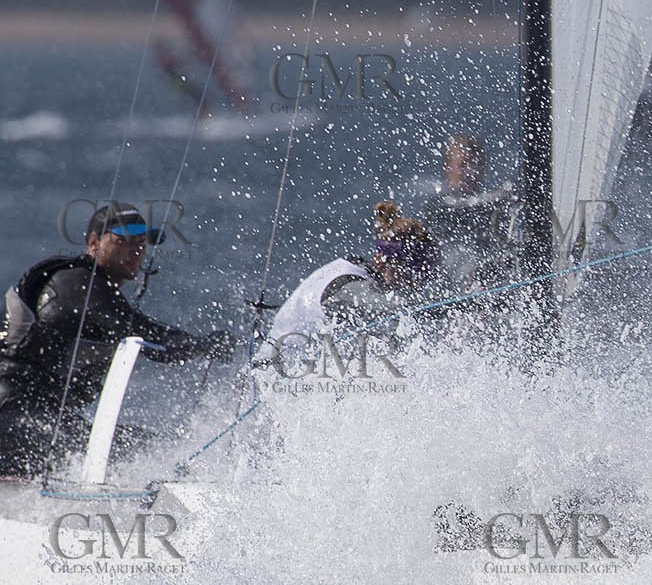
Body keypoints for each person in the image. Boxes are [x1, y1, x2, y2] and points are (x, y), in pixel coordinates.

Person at [0, 202, 233, 477]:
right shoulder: (75, 285)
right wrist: (202, 346)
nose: (134, 250)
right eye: (121, 241)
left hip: (42, 417)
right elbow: (146, 336)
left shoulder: (98, 290)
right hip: (12, 416)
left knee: (162, 450)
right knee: (136, 455)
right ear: (93, 243)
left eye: (140, 242)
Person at [255, 201, 447, 371]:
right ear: (383, 260)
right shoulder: (349, 283)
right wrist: (451, 308)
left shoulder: (364, 275)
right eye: (413, 272)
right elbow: (379, 307)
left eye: (426, 273)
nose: (419, 282)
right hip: (273, 378)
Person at [419, 133, 516, 285]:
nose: (470, 172)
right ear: (448, 169)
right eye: (463, 165)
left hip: (490, 287)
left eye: (475, 164)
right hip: (452, 289)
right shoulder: (437, 210)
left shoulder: (499, 207)